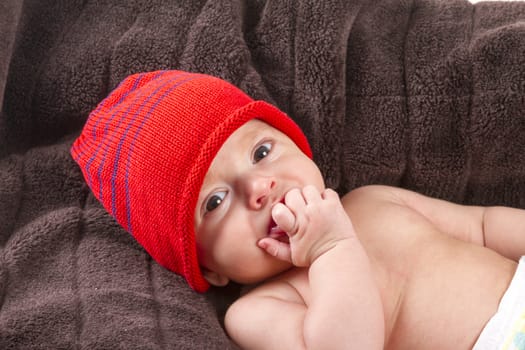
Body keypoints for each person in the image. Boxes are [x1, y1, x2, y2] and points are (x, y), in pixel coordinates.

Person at [71, 70, 525, 350]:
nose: (259, 188)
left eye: (262, 151)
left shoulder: (372, 201)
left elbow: (483, 226)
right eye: (215, 201)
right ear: (208, 269)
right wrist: (332, 249)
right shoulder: (260, 310)